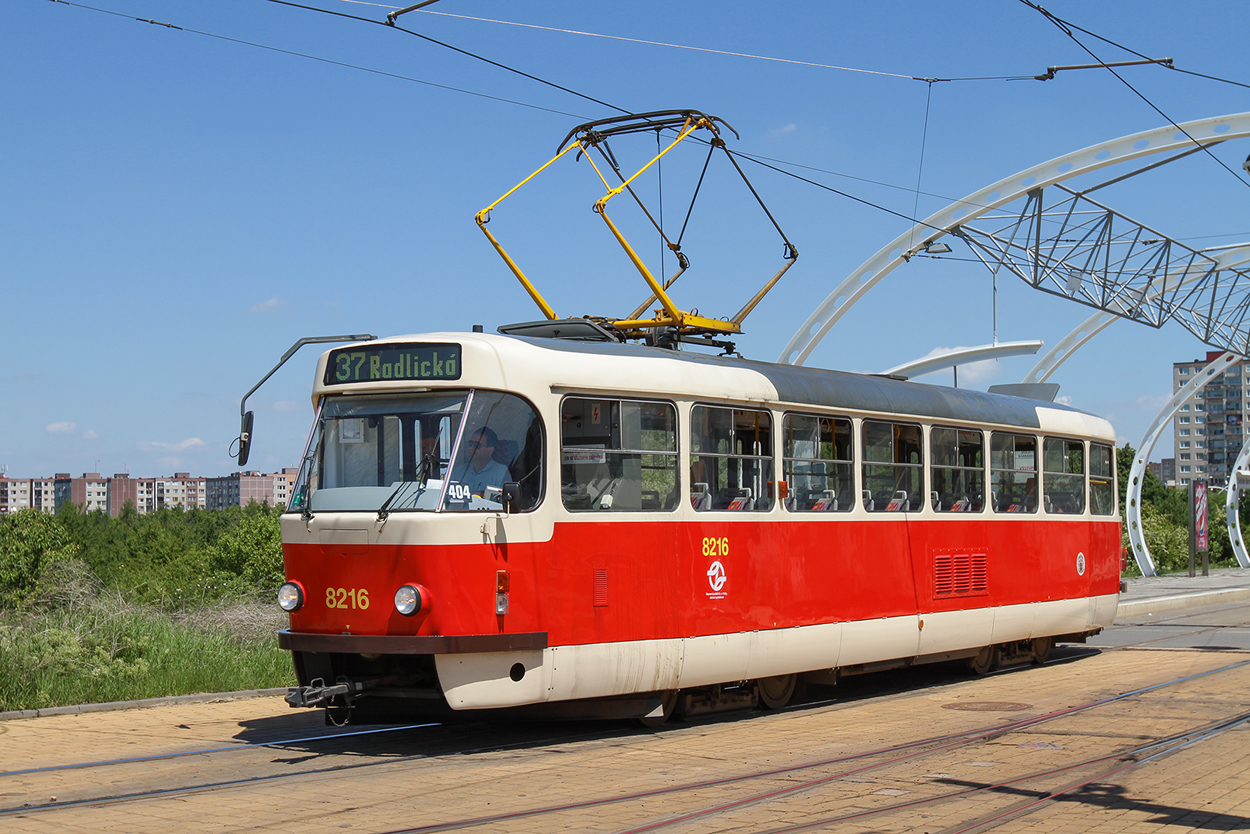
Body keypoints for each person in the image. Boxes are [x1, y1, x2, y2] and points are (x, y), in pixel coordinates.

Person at [453, 427, 511, 497]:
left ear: (490, 451)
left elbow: (506, 500)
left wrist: (483, 495)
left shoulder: (501, 472)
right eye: (470, 443)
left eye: (477, 445)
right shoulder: (458, 471)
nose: (471, 448)